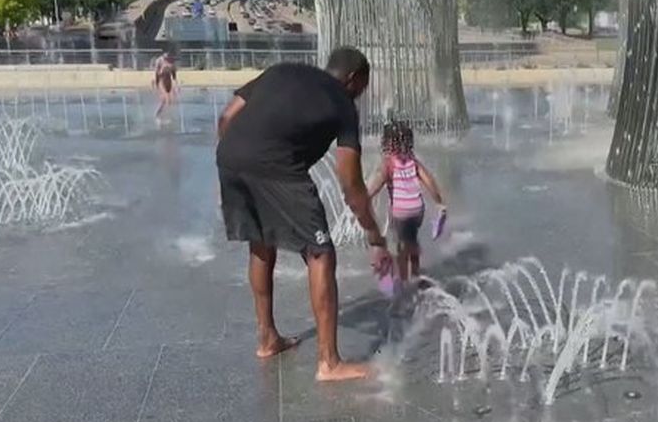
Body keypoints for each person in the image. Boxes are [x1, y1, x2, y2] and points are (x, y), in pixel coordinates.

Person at [216, 47, 391, 382]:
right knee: (320, 253)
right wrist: (374, 234)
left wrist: (234, 167)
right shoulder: (342, 103)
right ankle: (329, 363)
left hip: (230, 155)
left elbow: (226, 117)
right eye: (363, 88)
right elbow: (351, 183)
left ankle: (267, 338)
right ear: (353, 79)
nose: (361, 96)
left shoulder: (281, 71)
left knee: (261, 242)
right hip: (277, 167)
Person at [367, 120, 446, 285]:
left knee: (401, 248)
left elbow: (374, 187)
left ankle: (403, 282)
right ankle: (416, 275)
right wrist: (439, 203)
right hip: (417, 211)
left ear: (387, 143)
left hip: (401, 213)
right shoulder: (413, 161)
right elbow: (429, 182)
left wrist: (364, 199)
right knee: (412, 240)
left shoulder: (388, 164)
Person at [153, 51, 178, 124]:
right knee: (164, 99)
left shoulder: (172, 64)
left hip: (168, 81)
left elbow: (174, 76)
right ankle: (157, 115)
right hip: (162, 80)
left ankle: (165, 115)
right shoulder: (160, 61)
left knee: (170, 100)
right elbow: (157, 73)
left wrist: (176, 86)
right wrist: (157, 84)